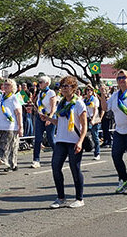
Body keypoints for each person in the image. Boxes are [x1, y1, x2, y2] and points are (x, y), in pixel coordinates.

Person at [40, 76, 87, 209]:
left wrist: (80, 141)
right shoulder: (61, 103)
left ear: (73, 88)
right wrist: (48, 118)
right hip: (61, 140)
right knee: (55, 167)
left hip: (73, 141)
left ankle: (79, 198)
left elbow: (84, 126)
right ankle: (61, 197)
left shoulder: (79, 104)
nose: (63, 88)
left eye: (66, 86)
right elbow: (60, 121)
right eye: (62, 86)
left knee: (75, 169)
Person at [0, 79, 23, 173]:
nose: (5, 86)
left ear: (12, 87)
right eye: (4, 84)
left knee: (5, 146)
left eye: (8, 85)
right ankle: (12, 164)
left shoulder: (14, 98)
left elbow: (18, 113)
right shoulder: (0, 96)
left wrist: (20, 127)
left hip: (10, 126)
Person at [31, 76, 56, 168]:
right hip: (40, 117)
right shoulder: (40, 93)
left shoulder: (51, 93)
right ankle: (36, 160)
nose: (39, 84)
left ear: (47, 83)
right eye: (39, 82)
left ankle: (58, 155)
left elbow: (53, 107)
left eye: (41, 82)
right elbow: (36, 104)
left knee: (50, 138)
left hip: (49, 116)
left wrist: (49, 118)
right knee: (38, 139)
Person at [84, 85, 102, 160]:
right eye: (87, 90)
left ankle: (97, 153)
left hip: (93, 118)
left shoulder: (94, 99)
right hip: (86, 118)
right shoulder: (84, 100)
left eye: (90, 90)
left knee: (95, 135)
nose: (89, 91)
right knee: (83, 134)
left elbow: (95, 110)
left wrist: (93, 119)